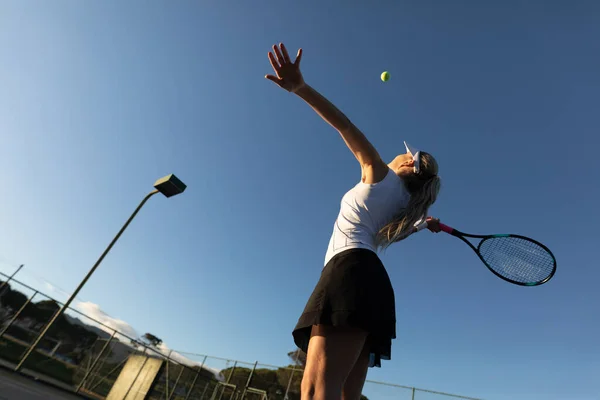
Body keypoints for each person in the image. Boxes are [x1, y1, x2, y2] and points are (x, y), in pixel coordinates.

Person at [265, 43, 443, 400]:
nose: (401, 153)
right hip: (372, 285)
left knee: (315, 392)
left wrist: (300, 88)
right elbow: (399, 233)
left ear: (407, 165)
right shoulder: (403, 207)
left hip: (349, 272)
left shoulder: (380, 175)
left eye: (406, 153)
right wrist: (424, 225)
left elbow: (344, 125)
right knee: (343, 396)